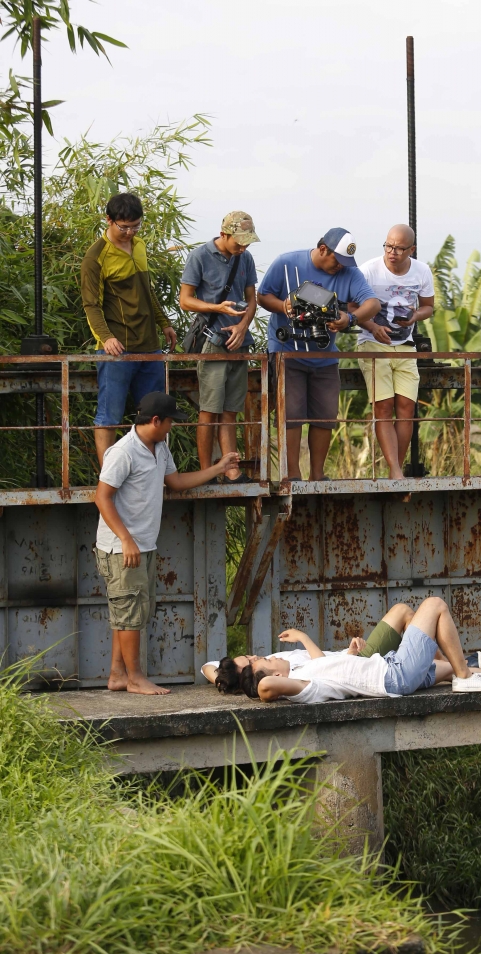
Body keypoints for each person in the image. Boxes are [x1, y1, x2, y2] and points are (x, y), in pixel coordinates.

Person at [94, 391, 238, 695]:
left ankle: (118, 675)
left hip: (143, 545)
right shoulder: (123, 452)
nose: (173, 426)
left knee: (130, 613)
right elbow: (102, 497)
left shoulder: (160, 447)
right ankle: (134, 678)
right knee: (129, 614)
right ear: (156, 420)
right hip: (122, 548)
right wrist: (125, 539)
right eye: (171, 421)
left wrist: (219, 468)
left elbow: (176, 482)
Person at [209, 597, 481, 703]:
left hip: (389, 668)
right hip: (394, 675)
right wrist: (256, 681)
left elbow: (321, 663)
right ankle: (464, 675)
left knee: (442, 671)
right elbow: (265, 687)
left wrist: (305, 640)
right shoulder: (303, 687)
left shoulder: (307, 670)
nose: (267, 655)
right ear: (275, 673)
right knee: (434, 605)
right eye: (265, 659)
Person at [257, 229, 380, 480]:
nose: (340, 267)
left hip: (324, 356)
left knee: (325, 416)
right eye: (337, 260)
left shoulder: (349, 273)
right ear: (323, 248)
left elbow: (373, 304)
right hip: (286, 352)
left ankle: (317, 474)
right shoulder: (287, 262)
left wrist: (349, 318)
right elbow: (262, 295)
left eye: (345, 263)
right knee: (290, 414)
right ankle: (291, 474)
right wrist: (284, 305)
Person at [81, 193, 177, 467]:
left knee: (155, 413)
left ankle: (151, 470)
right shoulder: (95, 257)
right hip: (117, 348)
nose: (130, 232)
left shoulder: (139, 246)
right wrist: (106, 337)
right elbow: (91, 305)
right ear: (109, 220)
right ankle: (108, 475)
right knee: (109, 415)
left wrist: (165, 323)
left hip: (150, 344)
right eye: (124, 227)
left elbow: (148, 291)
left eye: (136, 226)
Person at [179, 212, 260, 480]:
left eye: (247, 242)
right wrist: (216, 307)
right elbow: (185, 300)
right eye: (239, 242)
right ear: (224, 234)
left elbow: (252, 300)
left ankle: (232, 471)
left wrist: (242, 327)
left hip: (239, 342)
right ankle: (206, 472)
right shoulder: (200, 256)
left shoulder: (245, 258)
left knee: (230, 410)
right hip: (212, 340)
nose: (244, 248)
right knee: (209, 410)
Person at [356, 225, 435, 479]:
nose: (392, 252)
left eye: (399, 248)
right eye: (388, 246)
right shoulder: (368, 270)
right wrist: (372, 326)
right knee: (384, 406)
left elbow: (428, 307)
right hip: (372, 342)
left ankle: (396, 469)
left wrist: (414, 316)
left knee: (406, 407)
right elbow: (350, 307)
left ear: (411, 249)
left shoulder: (421, 271)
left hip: (405, 345)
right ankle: (396, 470)